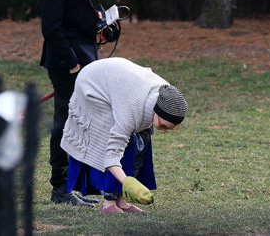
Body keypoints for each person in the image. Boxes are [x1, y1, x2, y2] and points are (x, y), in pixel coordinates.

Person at [60, 57, 188, 213]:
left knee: (139, 142)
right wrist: (127, 181)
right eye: (163, 125)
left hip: (119, 83)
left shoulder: (166, 96)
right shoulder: (131, 111)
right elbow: (111, 155)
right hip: (92, 84)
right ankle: (109, 204)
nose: (165, 130)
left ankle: (122, 201)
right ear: (158, 113)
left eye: (170, 128)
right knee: (108, 138)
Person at [39, 0, 106, 206]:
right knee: (65, 122)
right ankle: (60, 188)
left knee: (83, 121)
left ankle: (76, 187)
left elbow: (90, 7)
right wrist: (71, 63)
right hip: (67, 62)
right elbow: (51, 27)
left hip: (86, 57)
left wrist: (103, 23)